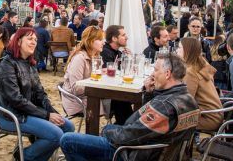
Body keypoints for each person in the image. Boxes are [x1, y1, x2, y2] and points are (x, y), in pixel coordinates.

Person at [60, 53, 200, 161]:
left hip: (132, 154)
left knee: (68, 140)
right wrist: (150, 94)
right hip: (157, 152)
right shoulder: (189, 100)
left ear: (167, 74)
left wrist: (107, 131)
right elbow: (146, 125)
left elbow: (128, 136)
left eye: (156, 70)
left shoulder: (164, 106)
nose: (152, 74)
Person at [0, 27, 75, 161]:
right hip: (11, 115)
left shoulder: (29, 64)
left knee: (68, 126)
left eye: (35, 40)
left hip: (28, 112)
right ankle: (22, 156)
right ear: (18, 41)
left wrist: (52, 112)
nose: (34, 42)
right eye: (29, 39)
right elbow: (15, 99)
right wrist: (47, 115)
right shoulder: (6, 64)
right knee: (56, 135)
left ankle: (34, 155)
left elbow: (40, 93)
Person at [176, 37, 222, 132]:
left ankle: (182, 146)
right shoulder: (201, 64)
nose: (176, 50)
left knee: (170, 123)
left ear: (187, 51)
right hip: (215, 114)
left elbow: (186, 102)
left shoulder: (190, 72)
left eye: (179, 47)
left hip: (207, 118)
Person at [63, 26, 105, 117]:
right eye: (100, 39)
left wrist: (103, 74)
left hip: (89, 96)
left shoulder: (96, 57)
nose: (103, 42)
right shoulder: (79, 58)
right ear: (90, 41)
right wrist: (95, 82)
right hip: (76, 101)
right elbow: (76, 89)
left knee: (117, 102)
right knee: (114, 103)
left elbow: (97, 78)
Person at [101, 25, 133, 125]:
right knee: (122, 99)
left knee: (126, 98)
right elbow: (110, 77)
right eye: (123, 35)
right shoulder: (105, 52)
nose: (127, 37)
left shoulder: (118, 53)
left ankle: (124, 126)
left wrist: (129, 59)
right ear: (114, 38)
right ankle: (124, 127)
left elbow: (126, 72)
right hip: (104, 93)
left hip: (115, 90)